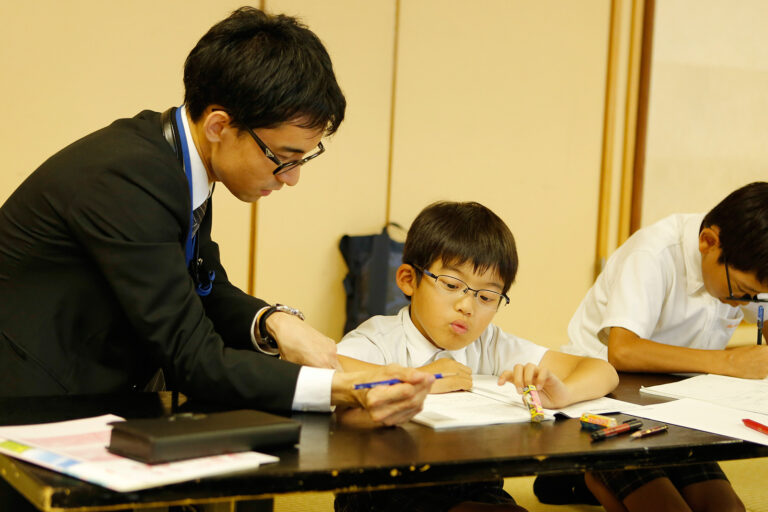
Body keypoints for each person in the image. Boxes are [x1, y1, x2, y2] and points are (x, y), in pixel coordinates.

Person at [0, 8, 433, 421]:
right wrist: (341, 387)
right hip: (31, 404)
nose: (292, 178)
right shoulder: (127, 179)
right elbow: (192, 356)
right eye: (283, 157)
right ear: (219, 127)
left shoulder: (175, 158)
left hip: (87, 396)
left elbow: (203, 286)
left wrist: (273, 321)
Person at [334, 200, 619, 512]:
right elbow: (323, 369)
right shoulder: (378, 338)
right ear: (408, 280)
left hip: (475, 484)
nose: (467, 307)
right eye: (452, 285)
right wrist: (424, 380)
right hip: (384, 490)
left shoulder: (489, 342)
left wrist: (564, 394)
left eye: (486, 296)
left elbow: (602, 370)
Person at [560, 182, 768, 511]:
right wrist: (731, 363)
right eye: (741, 291)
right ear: (708, 242)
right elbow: (623, 351)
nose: (743, 302)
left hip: (682, 406)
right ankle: (582, 475)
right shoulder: (653, 253)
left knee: (728, 509)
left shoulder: (740, 268)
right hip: (605, 399)